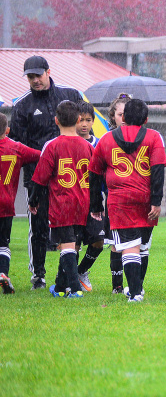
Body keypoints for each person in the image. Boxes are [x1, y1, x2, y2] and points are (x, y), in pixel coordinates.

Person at [8, 55, 83, 290]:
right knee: (39, 228)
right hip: (37, 176)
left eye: (38, 75)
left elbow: (84, 127)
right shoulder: (22, 106)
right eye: (30, 77)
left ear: (48, 72)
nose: (35, 80)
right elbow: (16, 144)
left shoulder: (70, 96)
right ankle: (38, 276)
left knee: (71, 226)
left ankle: (69, 276)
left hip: (69, 176)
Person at [89, 98, 166, 302]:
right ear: (147, 119)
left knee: (129, 247)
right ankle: (136, 290)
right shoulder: (154, 137)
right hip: (145, 200)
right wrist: (156, 201)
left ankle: (134, 293)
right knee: (141, 247)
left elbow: (94, 173)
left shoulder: (106, 139)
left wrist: (96, 205)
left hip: (119, 201)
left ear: (123, 117)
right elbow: (158, 170)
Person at [28, 101, 96, 298]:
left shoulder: (52, 146)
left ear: (56, 120)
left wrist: (33, 201)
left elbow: (40, 179)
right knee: (72, 244)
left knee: (66, 245)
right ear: (77, 120)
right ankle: (59, 287)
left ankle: (74, 289)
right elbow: (95, 176)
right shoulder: (87, 146)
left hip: (62, 203)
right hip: (82, 202)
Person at [0, 113, 41, 294]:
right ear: (7, 130)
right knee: (3, 244)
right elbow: (41, 156)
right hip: (6, 204)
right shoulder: (16, 148)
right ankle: (3, 273)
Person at [75, 101, 105, 292]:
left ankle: (80, 271)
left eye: (88, 120)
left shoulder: (100, 143)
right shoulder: (67, 142)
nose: (84, 124)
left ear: (93, 121)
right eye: (80, 120)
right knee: (73, 243)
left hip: (94, 201)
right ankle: (67, 276)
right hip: (73, 201)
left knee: (99, 241)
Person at [104, 93, 131, 294]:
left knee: (136, 243)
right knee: (115, 243)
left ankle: (135, 285)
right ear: (113, 116)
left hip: (137, 199)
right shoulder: (106, 139)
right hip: (114, 199)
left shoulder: (144, 137)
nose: (123, 118)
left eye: (126, 114)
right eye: (119, 114)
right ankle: (117, 286)